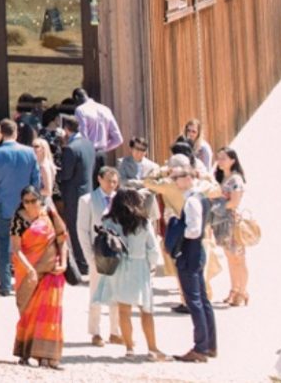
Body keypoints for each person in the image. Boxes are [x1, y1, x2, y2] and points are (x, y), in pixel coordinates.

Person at [93, 188, 165, 360]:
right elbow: (153, 249)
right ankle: (152, 349)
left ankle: (129, 349)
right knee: (146, 310)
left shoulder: (109, 221)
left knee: (124, 311)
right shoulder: (143, 222)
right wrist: (152, 265)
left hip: (118, 267)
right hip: (139, 266)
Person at [10, 185, 69, 369]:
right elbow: (17, 250)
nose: (30, 205)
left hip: (52, 271)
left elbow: (62, 239)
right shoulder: (19, 219)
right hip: (28, 273)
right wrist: (30, 270)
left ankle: (49, 356)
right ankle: (28, 351)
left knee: (50, 314)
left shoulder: (49, 214)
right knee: (29, 313)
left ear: (40, 200)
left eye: (33, 201)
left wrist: (64, 262)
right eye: (26, 202)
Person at [170, 155, 217, 362]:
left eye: (177, 178)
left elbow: (193, 231)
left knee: (194, 300)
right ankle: (209, 344)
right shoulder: (201, 197)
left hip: (190, 250)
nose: (175, 182)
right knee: (203, 299)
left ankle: (200, 346)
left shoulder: (191, 201)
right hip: (197, 251)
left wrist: (176, 230)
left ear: (188, 178)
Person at [0, 122, 40, 297]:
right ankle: (26, 282)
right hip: (26, 207)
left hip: (4, 206)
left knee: (2, 246)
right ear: (16, 132)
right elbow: (35, 182)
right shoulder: (29, 152)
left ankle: (5, 284)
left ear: (1, 132)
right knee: (27, 245)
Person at [83, 164, 122, 344]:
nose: (112, 185)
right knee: (96, 294)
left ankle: (115, 331)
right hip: (98, 251)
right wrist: (89, 256)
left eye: (115, 182)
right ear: (99, 179)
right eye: (109, 181)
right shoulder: (87, 200)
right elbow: (82, 230)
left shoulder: (120, 200)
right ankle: (95, 331)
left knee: (117, 293)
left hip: (116, 252)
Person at [56, 114, 95, 281]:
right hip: (88, 190)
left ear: (66, 130)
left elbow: (66, 175)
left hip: (73, 193)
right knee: (87, 226)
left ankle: (82, 262)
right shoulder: (88, 144)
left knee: (75, 227)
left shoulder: (71, 149)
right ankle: (87, 260)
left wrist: (55, 171)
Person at [209, 148, 248, 308]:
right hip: (221, 223)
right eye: (218, 158)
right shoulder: (219, 178)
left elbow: (234, 202)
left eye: (223, 158)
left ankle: (242, 291)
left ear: (233, 160)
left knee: (239, 258)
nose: (220, 161)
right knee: (230, 258)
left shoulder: (235, 179)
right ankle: (234, 289)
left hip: (232, 222)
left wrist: (216, 206)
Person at [70, 88, 121, 165]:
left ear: (76, 98)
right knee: (101, 177)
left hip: (88, 154)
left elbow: (83, 136)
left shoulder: (80, 110)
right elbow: (118, 139)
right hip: (102, 155)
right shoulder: (105, 109)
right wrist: (103, 148)